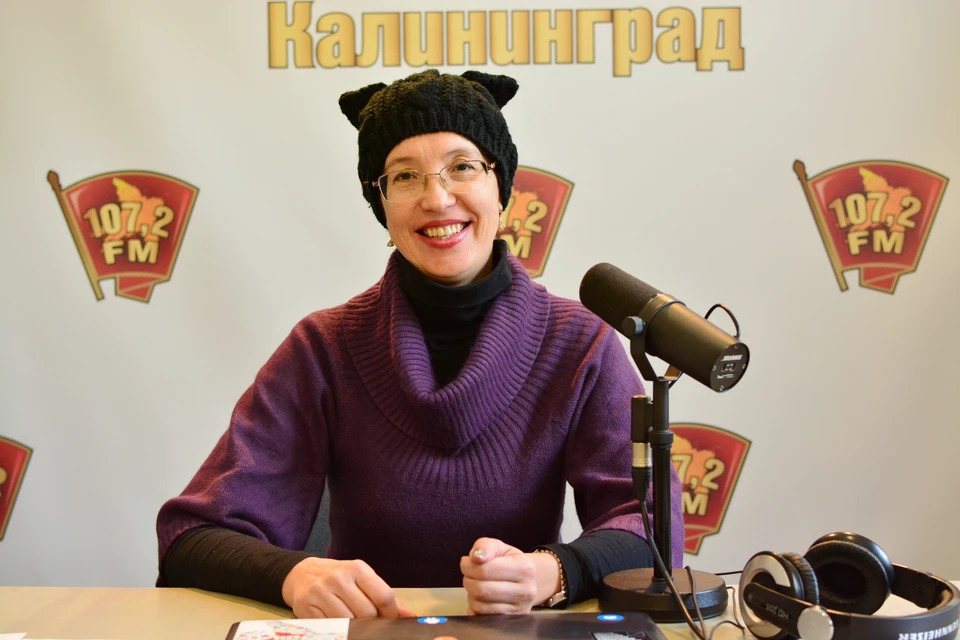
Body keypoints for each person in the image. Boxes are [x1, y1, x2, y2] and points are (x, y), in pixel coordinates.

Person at [155, 69, 684, 619]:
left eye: (462, 167)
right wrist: (291, 574)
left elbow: (654, 529)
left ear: (500, 187)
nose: (437, 197)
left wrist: (552, 572)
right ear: (381, 204)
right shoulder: (324, 348)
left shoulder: (579, 343)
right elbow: (192, 536)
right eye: (405, 176)